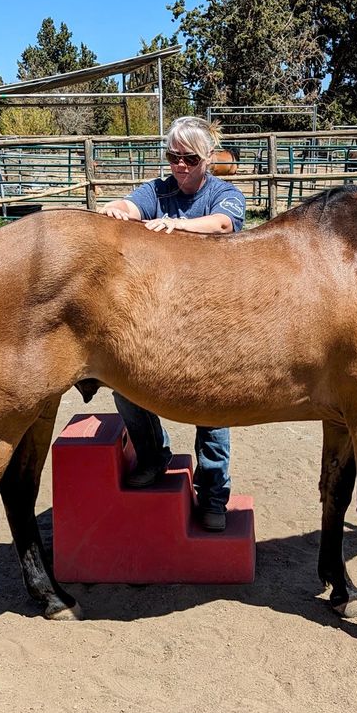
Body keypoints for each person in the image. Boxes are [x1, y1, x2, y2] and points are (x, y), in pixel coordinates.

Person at [97, 116, 247, 532]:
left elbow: (223, 224)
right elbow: (131, 205)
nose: (179, 166)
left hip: (212, 317)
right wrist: (117, 210)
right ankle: (152, 454)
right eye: (173, 157)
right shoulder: (158, 189)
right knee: (124, 385)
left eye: (189, 158)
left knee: (212, 407)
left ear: (208, 160)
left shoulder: (224, 193)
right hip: (159, 318)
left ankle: (214, 494)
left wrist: (178, 225)